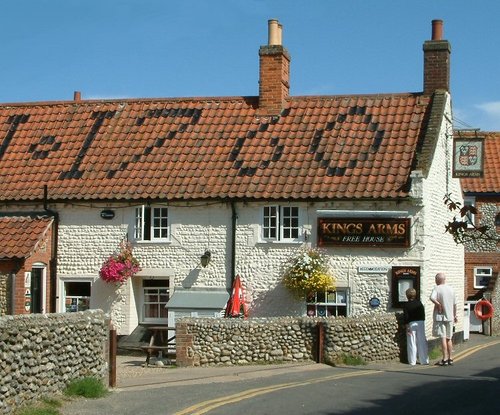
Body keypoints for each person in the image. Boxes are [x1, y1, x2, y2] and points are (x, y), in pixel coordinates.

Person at [430, 272, 457, 366]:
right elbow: (454, 304)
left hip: (441, 317)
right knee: (449, 338)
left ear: (437, 280)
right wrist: (455, 315)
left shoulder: (437, 288)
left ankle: (444, 359)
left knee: (443, 338)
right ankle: (451, 358)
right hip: (450, 317)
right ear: (444, 279)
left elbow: (431, 298)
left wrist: (438, 304)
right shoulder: (451, 289)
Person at [403, 288, 429, 365]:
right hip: (420, 322)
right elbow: (423, 314)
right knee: (422, 341)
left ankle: (412, 361)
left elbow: (406, 317)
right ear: (415, 295)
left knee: (412, 342)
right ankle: (424, 360)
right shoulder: (419, 303)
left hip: (411, 323)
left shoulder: (406, 305)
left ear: (407, 296)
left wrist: (407, 326)